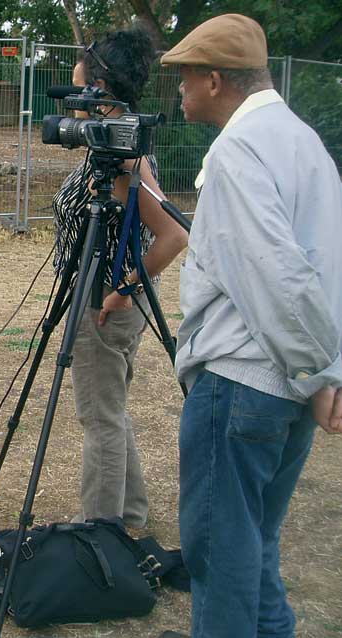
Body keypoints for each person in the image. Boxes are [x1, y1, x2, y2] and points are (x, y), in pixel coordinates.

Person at [157, 14, 342, 638]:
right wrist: (323, 371)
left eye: (184, 79)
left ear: (214, 80)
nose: (179, 92)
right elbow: (323, 266)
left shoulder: (238, 150)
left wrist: (319, 374)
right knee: (254, 542)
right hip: (287, 382)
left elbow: (275, 277)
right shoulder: (301, 140)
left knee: (221, 555)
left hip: (244, 384)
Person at [52, 27, 188, 528]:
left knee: (99, 418)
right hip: (96, 299)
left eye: (82, 69)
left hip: (103, 306)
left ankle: (102, 532)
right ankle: (128, 515)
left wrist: (121, 289)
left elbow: (173, 236)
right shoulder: (112, 139)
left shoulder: (126, 151)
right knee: (109, 411)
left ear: (101, 82)